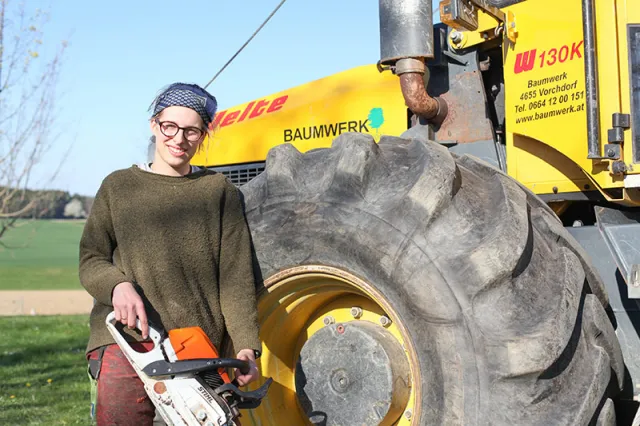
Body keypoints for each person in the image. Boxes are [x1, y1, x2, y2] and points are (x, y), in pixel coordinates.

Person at [79, 82, 261, 425]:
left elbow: (236, 278)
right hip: (127, 341)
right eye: (170, 127)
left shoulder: (219, 192)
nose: (179, 139)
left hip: (198, 347)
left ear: (203, 135)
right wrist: (118, 286)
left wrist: (246, 345)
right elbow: (91, 258)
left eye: (192, 131)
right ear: (154, 125)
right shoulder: (118, 187)